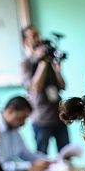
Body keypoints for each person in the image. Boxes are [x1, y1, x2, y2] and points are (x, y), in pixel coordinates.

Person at [21, 25, 70, 155]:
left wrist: (57, 68)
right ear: (25, 41)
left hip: (59, 116)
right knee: (42, 156)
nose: (38, 39)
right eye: (34, 36)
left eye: (38, 35)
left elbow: (62, 86)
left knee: (66, 155)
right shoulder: (26, 64)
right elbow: (35, 88)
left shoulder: (50, 61)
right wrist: (42, 62)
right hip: (41, 119)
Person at [0, 96, 50, 171]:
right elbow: (1, 166)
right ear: (10, 110)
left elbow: (26, 154)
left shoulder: (13, 128)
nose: (23, 123)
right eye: (21, 118)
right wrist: (31, 165)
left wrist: (46, 160)